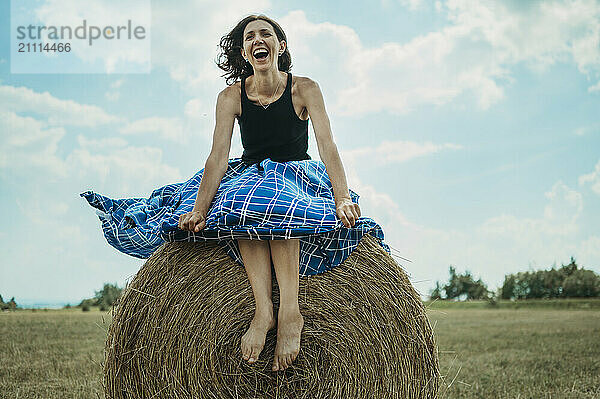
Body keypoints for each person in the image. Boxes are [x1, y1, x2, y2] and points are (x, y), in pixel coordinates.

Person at [81, 14, 390, 373]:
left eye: (266, 34)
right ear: (244, 51)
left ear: (281, 46)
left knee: (275, 201)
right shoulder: (231, 97)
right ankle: (264, 312)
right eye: (250, 37)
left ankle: (291, 312)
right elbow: (217, 156)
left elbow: (328, 146)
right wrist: (199, 209)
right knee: (241, 204)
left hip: (296, 175)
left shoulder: (305, 89)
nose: (258, 39)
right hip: (251, 174)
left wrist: (342, 198)